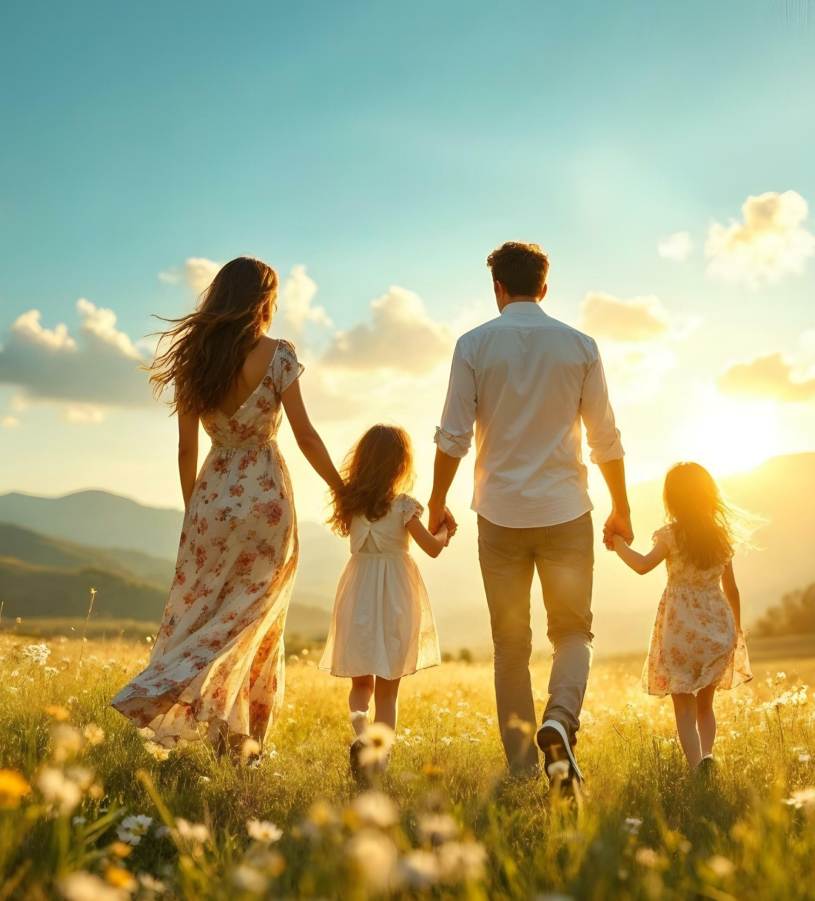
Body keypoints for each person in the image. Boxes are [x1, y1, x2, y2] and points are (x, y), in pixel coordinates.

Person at [111, 256, 343, 753]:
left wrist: (197, 509)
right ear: (263, 300)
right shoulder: (279, 355)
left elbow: (184, 449)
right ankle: (241, 739)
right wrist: (341, 488)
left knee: (206, 614)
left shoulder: (195, 363)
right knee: (255, 621)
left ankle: (176, 697)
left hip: (212, 496)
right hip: (266, 498)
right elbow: (305, 436)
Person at [429, 241, 630, 790]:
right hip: (567, 512)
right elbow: (604, 437)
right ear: (545, 286)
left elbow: (453, 436)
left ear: (497, 288)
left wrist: (436, 499)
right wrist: (622, 506)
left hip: (499, 516)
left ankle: (520, 770)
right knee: (572, 633)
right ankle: (559, 723)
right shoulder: (580, 345)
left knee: (510, 647)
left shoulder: (472, 345)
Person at [319, 424, 447, 774]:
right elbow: (433, 549)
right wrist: (446, 529)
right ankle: (378, 757)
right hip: (396, 601)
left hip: (357, 596)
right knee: (389, 692)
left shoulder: (351, 504)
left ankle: (362, 729)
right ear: (400, 465)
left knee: (361, 684)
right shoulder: (404, 506)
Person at [611, 462, 753, 770]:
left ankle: (695, 769)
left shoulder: (671, 536)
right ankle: (708, 757)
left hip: (679, 630)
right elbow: (733, 590)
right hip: (717, 630)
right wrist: (736, 632)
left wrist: (619, 545)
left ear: (671, 498)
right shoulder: (720, 538)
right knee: (705, 707)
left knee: (685, 710)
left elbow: (642, 565)